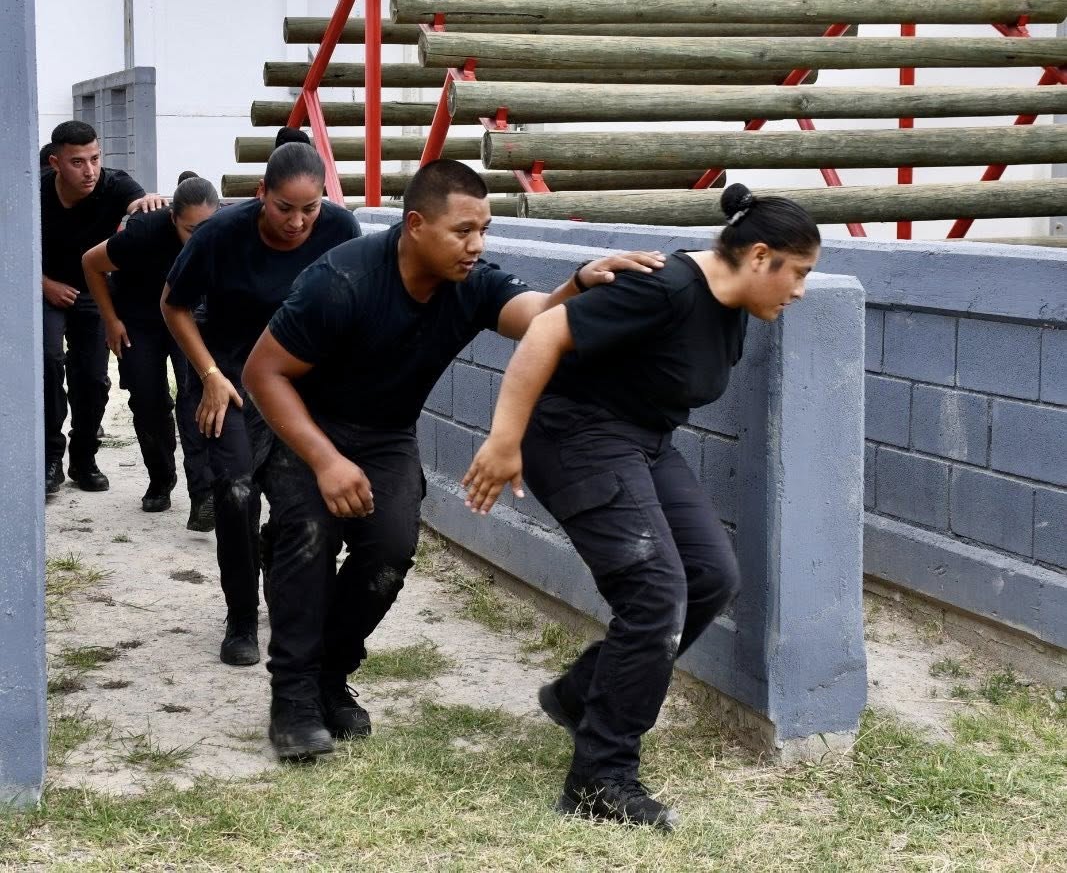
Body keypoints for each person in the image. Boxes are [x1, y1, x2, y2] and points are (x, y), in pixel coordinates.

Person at [241, 158, 664, 761]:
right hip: (305, 423)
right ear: (415, 225)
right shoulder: (342, 280)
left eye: (484, 230)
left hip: (385, 433)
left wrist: (581, 283)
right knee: (309, 537)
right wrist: (326, 461)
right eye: (463, 231)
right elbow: (263, 372)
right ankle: (293, 698)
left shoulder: (471, 282)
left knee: (388, 552)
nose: (476, 244)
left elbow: (538, 319)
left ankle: (329, 676)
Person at [461, 183, 822, 831]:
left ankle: (582, 696)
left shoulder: (735, 303)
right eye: (796, 274)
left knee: (711, 576)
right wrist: (504, 439)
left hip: (642, 441)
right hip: (574, 438)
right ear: (760, 255)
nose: (798, 291)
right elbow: (545, 330)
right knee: (656, 593)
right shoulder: (666, 287)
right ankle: (599, 779)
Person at [161, 142, 360, 669]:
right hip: (231, 379)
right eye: (284, 208)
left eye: (310, 209)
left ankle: (277, 557)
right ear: (260, 195)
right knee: (236, 492)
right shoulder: (219, 235)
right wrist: (208, 375)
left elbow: (351, 309)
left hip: (302, 386)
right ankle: (241, 617)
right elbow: (173, 305)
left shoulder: (342, 231)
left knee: (306, 502)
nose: (298, 222)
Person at [82, 174, 220, 521]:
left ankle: (203, 495)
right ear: (172, 217)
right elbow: (91, 263)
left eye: (206, 228)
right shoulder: (143, 233)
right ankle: (160, 480)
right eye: (190, 230)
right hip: (140, 320)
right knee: (147, 400)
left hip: (188, 318)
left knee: (195, 398)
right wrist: (111, 320)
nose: (198, 239)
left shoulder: (225, 234)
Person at [41, 120, 164, 498]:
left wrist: (146, 205)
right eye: (78, 162)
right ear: (55, 163)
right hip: (42, 288)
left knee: (92, 378)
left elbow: (140, 204)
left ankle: (84, 458)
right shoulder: (33, 188)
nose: (90, 170)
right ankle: (49, 459)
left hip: (93, 291)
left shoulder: (114, 184)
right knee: (48, 362)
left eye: (95, 158)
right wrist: (43, 284)